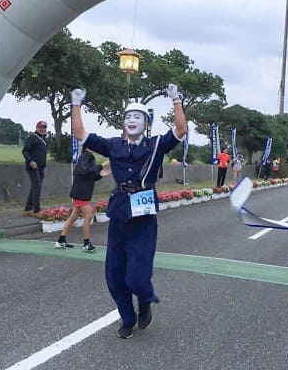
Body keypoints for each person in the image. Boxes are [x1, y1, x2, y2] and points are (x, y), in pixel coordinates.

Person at [70, 84, 186, 339]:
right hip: (120, 213)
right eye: (128, 117)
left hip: (143, 220)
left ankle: (144, 300)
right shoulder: (113, 145)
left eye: (138, 117)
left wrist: (175, 100)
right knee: (114, 277)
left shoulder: (156, 145)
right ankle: (128, 318)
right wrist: (76, 104)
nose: (132, 121)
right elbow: (80, 133)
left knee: (136, 278)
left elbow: (180, 130)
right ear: (123, 124)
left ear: (146, 123)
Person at [55, 147, 110, 252]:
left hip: (80, 192)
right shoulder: (85, 156)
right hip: (80, 193)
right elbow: (85, 171)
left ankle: (61, 240)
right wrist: (101, 166)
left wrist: (100, 174)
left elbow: (88, 175)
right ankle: (86, 244)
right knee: (88, 216)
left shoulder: (88, 157)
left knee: (73, 217)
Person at [22, 120, 48, 217]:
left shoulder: (44, 140)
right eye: (41, 127)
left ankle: (28, 208)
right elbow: (25, 151)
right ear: (37, 128)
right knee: (37, 185)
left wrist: (45, 167)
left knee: (35, 186)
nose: (42, 129)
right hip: (32, 167)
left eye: (44, 127)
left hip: (41, 167)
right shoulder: (32, 138)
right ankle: (36, 210)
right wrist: (30, 161)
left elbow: (43, 155)